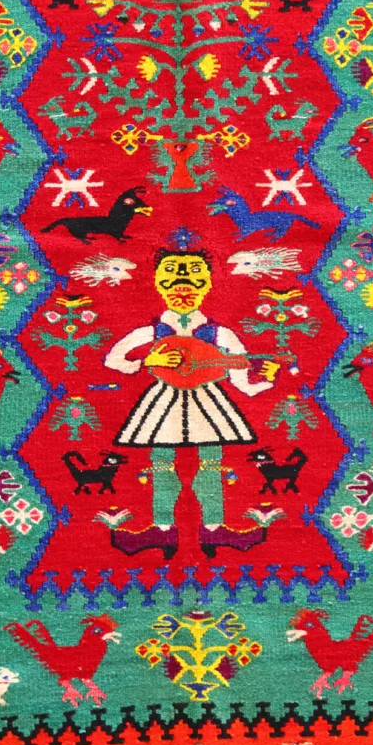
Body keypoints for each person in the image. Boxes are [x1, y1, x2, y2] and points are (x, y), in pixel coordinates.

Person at [102, 238, 277, 555]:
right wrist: (150, 360)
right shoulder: (152, 332)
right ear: (158, 284)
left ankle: (213, 528)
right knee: (161, 462)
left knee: (211, 462)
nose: (182, 286)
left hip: (207, 401)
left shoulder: (220, 335)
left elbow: (243, 380)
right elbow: (113, 360)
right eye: (170, 277)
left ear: (208, 284)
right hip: (164, 400)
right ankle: (163, 528)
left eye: (195, 277)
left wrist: (265, 380)